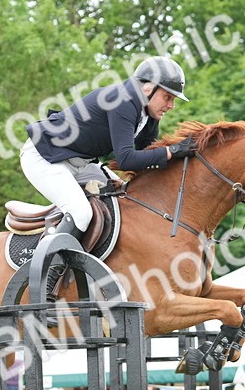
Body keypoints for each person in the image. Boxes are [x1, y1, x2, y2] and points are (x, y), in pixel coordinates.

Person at [21, 56, 195, 252]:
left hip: (81, 164)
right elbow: (126, 159)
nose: (171, 105)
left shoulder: (148, 114)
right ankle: (45, 271)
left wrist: (179, 159)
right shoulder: (122, 100)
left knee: (125, 199)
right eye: (168, 97)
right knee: (81, 213)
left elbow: (146, 159)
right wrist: (171, 151)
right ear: (148, 88)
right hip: (44, 157)